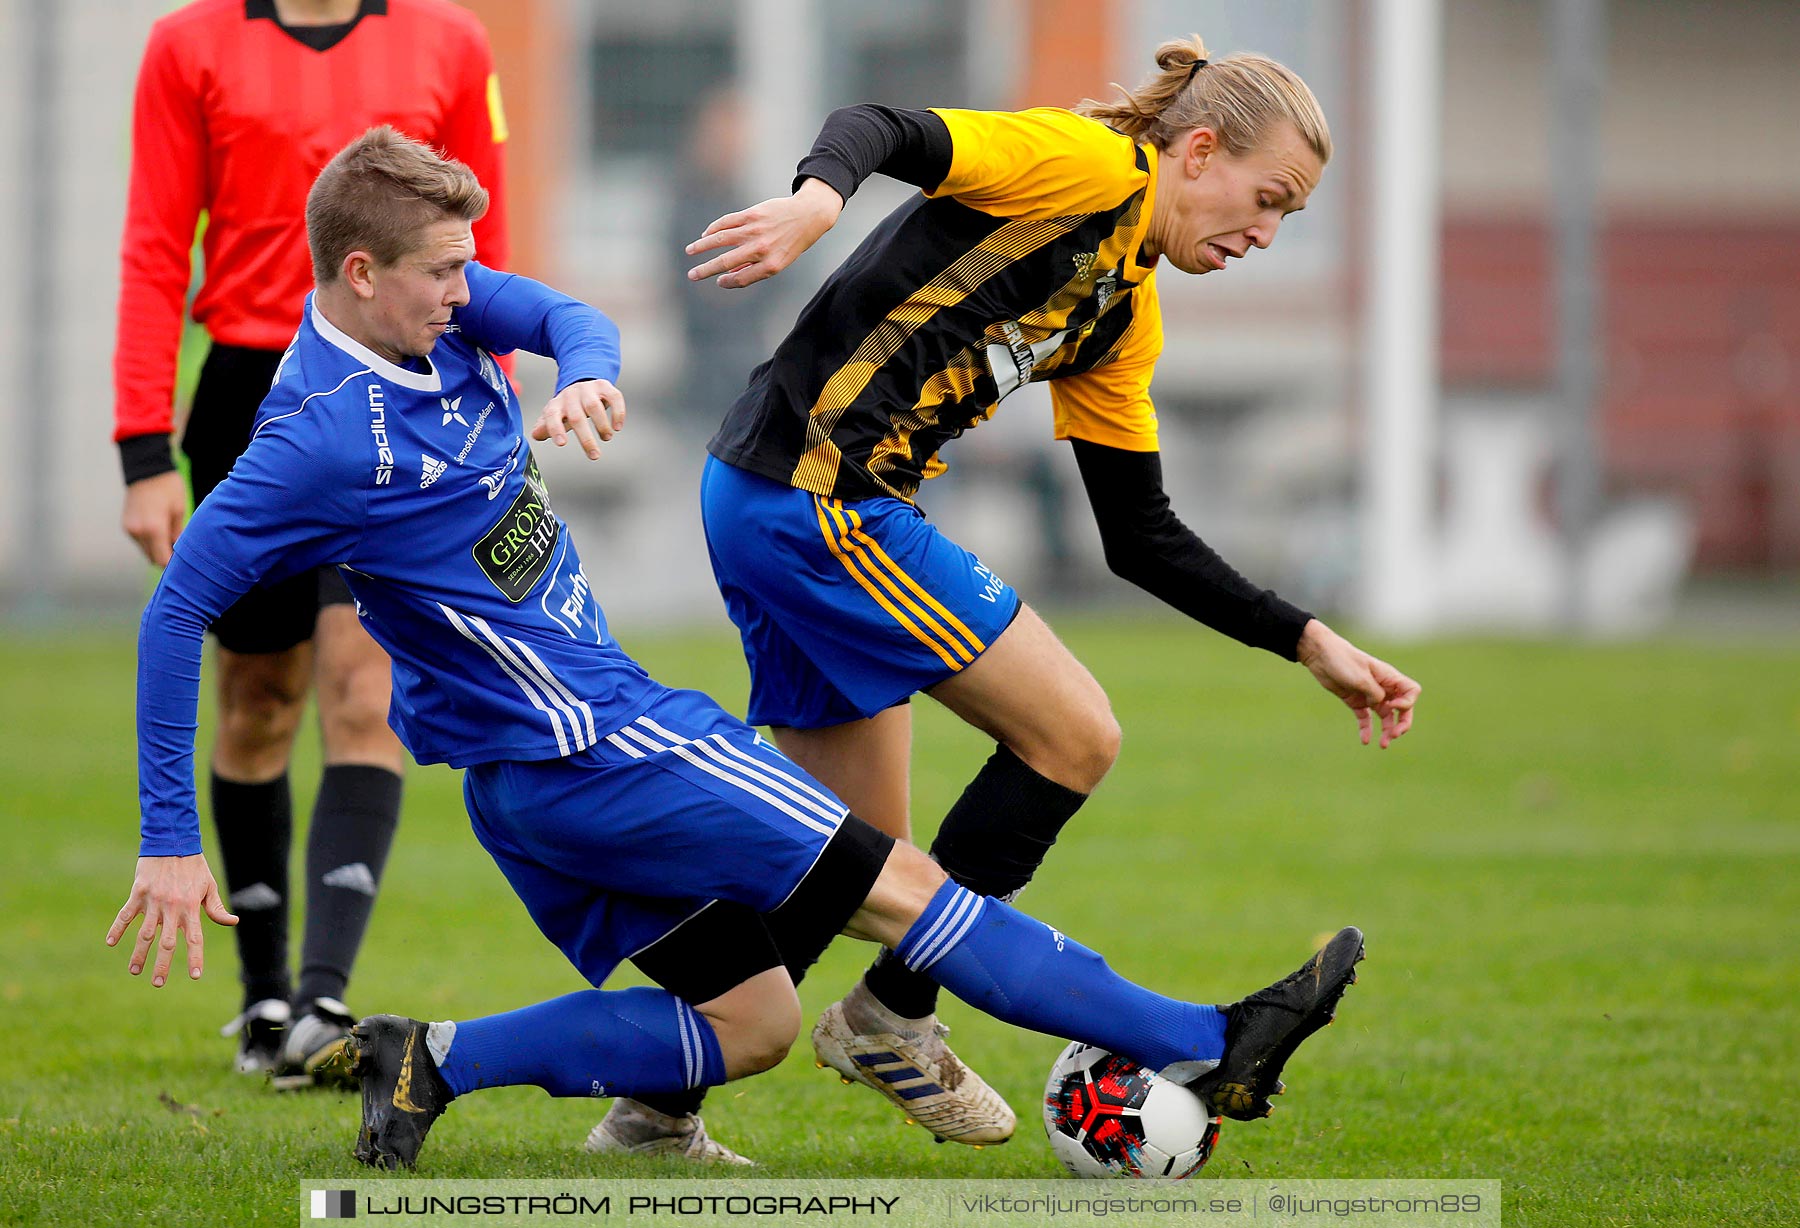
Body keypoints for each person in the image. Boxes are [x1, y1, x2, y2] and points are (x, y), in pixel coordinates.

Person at [104, 127, 1366, 1172]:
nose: (467, 291)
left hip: (533, 775)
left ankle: (431, 1058)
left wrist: (588, 376)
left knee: (751, 1022)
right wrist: (168, 840)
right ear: (363, 271)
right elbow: (173, 614)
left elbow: (564, 314)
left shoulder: (423, 311)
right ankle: (1212, 1035)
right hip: (603, 747)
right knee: (908, 894)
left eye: (465, 267)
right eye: (443, 273)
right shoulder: (313, 439)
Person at [605, 35, 1420, 1152]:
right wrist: (811, 205)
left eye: (1291, 219)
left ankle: (655, 1106)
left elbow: (1139, 535)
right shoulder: (1084, 167)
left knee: (846, 860)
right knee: (1075, 733)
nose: (1264, 233)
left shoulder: (1125, 313)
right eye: (1265, 198)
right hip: (813, 495)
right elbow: (884, 127)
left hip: (768, 494)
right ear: (1195, 150)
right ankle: (895, 1015)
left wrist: (1308, 638)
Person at [111, 0, 509, 1086]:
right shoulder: (188, 44)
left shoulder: (451, 41)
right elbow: (155, 241)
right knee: (258, 697)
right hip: (254, 393)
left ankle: (322, 1005)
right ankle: (263, 998)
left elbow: (485, 251)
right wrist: (142, 443)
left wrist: (493, 402)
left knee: (363, 688)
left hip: (404, 398)